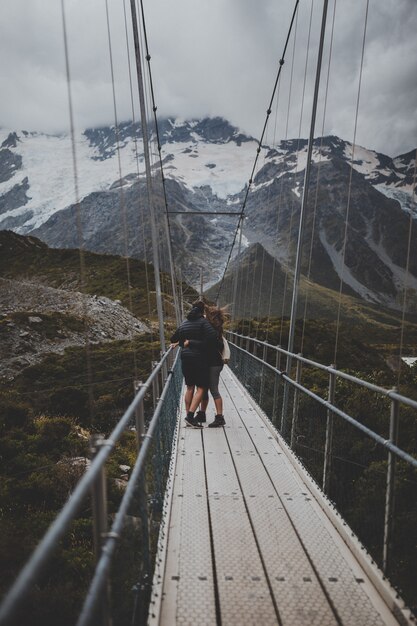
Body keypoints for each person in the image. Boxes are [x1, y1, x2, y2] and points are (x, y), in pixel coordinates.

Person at [170, 300, 218, 428]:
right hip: (199, 359)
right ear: (202, 311)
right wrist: (194, 342)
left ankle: (188, 416)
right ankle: (190, 416)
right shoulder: (203, 322)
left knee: (190, 387)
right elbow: (213, 338)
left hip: (185, 358)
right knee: (201, 388)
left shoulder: (184, 323)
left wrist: (184, 342)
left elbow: (173, 338)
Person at [195, 305, 227, 428]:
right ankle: (202, 413)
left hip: (213, 364)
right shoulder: (216, 329)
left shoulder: (212, 332)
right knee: (204, 389)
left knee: (213, 390)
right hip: (211, 363)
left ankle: (220, 418)